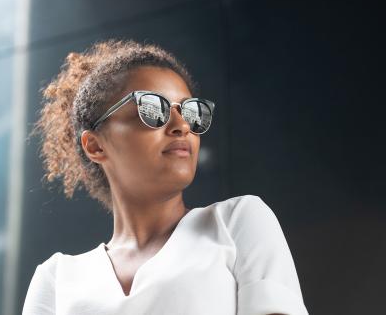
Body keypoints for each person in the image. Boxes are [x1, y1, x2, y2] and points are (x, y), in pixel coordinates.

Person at [23, 39, 308, 315]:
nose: (182, 125)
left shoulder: (237, 222)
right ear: (95, 145)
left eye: (191, 112)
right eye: (152, 109)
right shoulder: (56, 280)